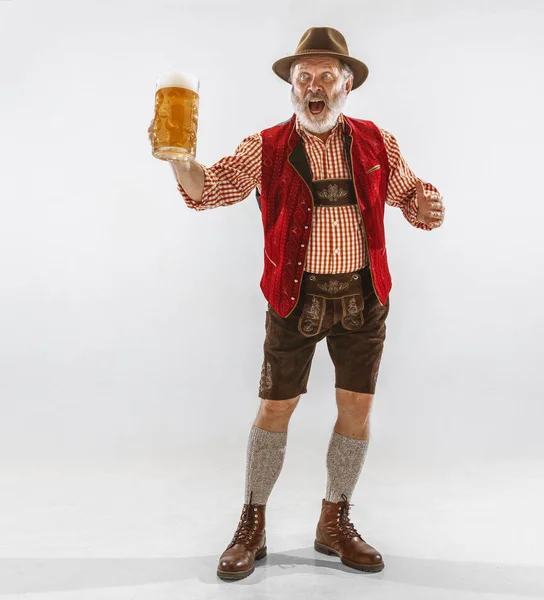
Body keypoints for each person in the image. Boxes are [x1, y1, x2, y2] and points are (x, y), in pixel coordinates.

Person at [148, 26, 445, 581]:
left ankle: (334, 520)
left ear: (347, 85)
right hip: (293, 298)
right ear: (291, 87)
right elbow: (207, 189)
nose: (314, 86)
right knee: (275, 409)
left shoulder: (380, 141)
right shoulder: (266, 147)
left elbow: (412, 197)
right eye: (303, 77)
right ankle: (252, 521)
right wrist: (177, 158)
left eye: (325, 76)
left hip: (363, 298)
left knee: (356, 410)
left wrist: (429, 206)